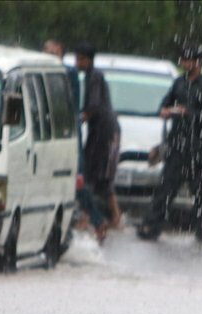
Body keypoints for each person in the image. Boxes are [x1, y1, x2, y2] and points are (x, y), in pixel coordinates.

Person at [137, 44, 202, 243]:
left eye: (188, 60)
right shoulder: (179, 83)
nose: (185, 64)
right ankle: (152, 225)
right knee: (166, 187)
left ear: (198, 62)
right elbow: (166, 103)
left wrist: (188, 113)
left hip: (198, 147)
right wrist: (166, 111)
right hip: (177, 144)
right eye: (183, 60)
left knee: (200, 191)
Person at [43, 40, 108, 243]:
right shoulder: (39, 71)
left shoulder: (67, 73)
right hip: (45, 135)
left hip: (67, 133)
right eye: (47, 53)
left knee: (76, 181)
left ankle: (97, 220)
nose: (50, 57)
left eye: (55, 54)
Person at [74, 43, 122, 231]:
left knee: (91, 175)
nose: (77, 63)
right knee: (99, 177)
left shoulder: (94, 77)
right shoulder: (92, 76)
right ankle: (114, 217)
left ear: (87, 60)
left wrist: (80, 119)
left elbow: (92, 106)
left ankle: (89, 217)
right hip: (102, 130)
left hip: (104, 132)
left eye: (79, 59)